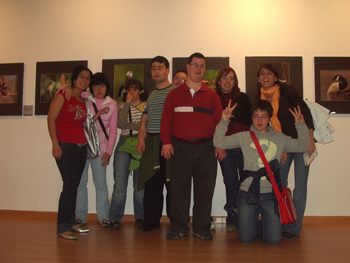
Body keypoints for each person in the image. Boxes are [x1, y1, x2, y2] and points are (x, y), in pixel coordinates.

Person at [213, 99, 310, 244]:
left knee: (274, 240)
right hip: (247, 193)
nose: (259, 120)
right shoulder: (243, 136)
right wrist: (224, 121)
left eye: (263, 116)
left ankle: (263, 223)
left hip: (270, 195)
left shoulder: (279, 138)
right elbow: (219, 142)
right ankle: (250, 223)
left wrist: (300, 124)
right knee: (246, 238)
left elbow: (302, 146)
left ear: (269, 118)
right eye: (256, 116)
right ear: (251, 117)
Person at [161, 52, 224, 241]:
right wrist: (166, 142)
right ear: (188, 67)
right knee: (178, 190)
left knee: (205, 190)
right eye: (195, 65)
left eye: (202, 66)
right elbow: (166, 121)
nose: (198, 68)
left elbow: (220, 125)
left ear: (205, 69)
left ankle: (201, 228)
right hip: (179, 148)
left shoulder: (212, 96)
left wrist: (220, 146)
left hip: (206, 149)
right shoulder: (173, 95)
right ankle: (179, 227)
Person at [256, 63, 315, 239]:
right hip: (282, 146)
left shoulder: (288, 93)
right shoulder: (258, 98)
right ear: (258, 78)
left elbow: (306, 116)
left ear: (275, 77)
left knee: (300, 188)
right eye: (262, 73)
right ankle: (280, 223)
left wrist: (310, 141)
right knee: (279, 184)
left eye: (269, 73)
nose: (266, 76)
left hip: (301, 143)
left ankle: (294, 228)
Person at [47, 65, 92, 240]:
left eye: (87, 78)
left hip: (81, 147)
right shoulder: (62, 95)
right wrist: (55, 143)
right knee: (69, 186)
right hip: (65, 146)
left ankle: (71, 222)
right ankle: (62, 226)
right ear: (75, 79)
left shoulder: (83, 100)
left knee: (75, 185)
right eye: (81, 77)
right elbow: (51, 119)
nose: (84, 81)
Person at [136, 56, 176, 233]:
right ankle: (151, 221)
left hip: (169, 143)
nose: (156, 71)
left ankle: (176, 221)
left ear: (167, 70)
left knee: (172, 183)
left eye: (160, 67)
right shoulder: (151, 95)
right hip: (152, 144)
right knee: (152, 183)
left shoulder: (175, 92)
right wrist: (142, 129)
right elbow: (146, 111)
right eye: (153, 68)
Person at [74, 73, 118, 227]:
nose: (99, 89)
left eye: (103, 85)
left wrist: (109, 152)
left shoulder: (112, 104)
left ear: (107, 87)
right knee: (80, 183)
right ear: (91, 86)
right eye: (96, 85)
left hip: (101, 149)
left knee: (100, 184)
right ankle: (80, 217)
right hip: (82, 146)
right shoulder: (84, 97)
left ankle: (103, 216)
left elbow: (113, 131)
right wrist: (66, 86)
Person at [215, 66, 252, 232]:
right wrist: (219, 145)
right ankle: (232, 217)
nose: (227, 81)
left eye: (231, 78)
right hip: (225, 147)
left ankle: (244, 217)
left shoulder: (243, 98)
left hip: (244, 146)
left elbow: (249, 122)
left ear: (235, 81)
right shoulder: (213, 98)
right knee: (230, 182)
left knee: (245, 182)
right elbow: (213, 125)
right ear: (218, 81)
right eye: (224, 77)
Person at [109, 79, 147, 229]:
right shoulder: (121, 106)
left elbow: (147, 125)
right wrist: (126, 104)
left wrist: (136, 126)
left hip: (140, 143)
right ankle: (115, 218)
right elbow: (121, 124)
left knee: (140, 185)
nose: (132, 92)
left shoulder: (146, 106)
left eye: (135, 89)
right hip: (124, 143)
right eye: (129, 89)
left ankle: (140, 217)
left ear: (140, 91)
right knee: (119, 184)